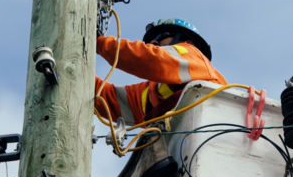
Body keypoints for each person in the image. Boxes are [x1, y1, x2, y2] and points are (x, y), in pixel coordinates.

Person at [95, 18, 227, 126]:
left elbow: (152, 58)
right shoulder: (151, 92)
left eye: (161, 36)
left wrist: (99, 42)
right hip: (178, 151)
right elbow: (106, 98)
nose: (153, 42)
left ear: (188, 41)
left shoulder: (194, 56)